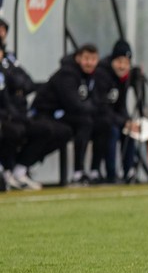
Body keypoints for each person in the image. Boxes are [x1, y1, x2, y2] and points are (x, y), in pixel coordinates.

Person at [32, 44, 108, 185]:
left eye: (93, 59)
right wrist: (94, 108)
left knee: (104, 123)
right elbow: (73, 103)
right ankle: (78, 172)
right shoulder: (67, 74)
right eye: (86, 58)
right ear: (78, 58)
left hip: (70, 115)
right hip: (49, 114)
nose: (90, 63)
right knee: (84, 123)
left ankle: (94, 171)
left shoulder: (94, 76)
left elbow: (98, 102)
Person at [0, 46, 72, 190]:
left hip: (17, 115)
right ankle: (6, 171)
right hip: (7, 118)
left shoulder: (10, 66)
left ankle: (19, 170)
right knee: (13, 131)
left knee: (50, 130)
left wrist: (16, 113)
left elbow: (28, 83)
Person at [93, 40, 140, 183]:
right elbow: (102, 107)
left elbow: (121, 106)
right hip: (97, 119)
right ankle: (111, 173)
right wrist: (123, 122)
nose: (122, 66)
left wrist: (128, 121)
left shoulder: (124, 78)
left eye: (126, 62)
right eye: (119, 61)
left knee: (130, 131)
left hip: (112, 118)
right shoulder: (101, 74)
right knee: (112, 131)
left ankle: (129, 171)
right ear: (113, 60)